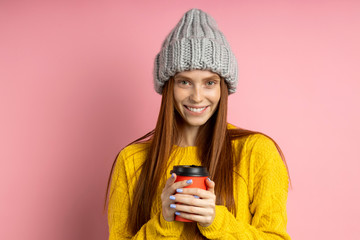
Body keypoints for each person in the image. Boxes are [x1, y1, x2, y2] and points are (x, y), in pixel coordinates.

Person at [105, 8, 291, 240]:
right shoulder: (132, 160)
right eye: (185, 82)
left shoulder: (257, 152)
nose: (197, 96)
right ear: (168, 88)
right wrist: (164, 223)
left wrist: (217, 222)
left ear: (223, 87)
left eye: (209, 83)